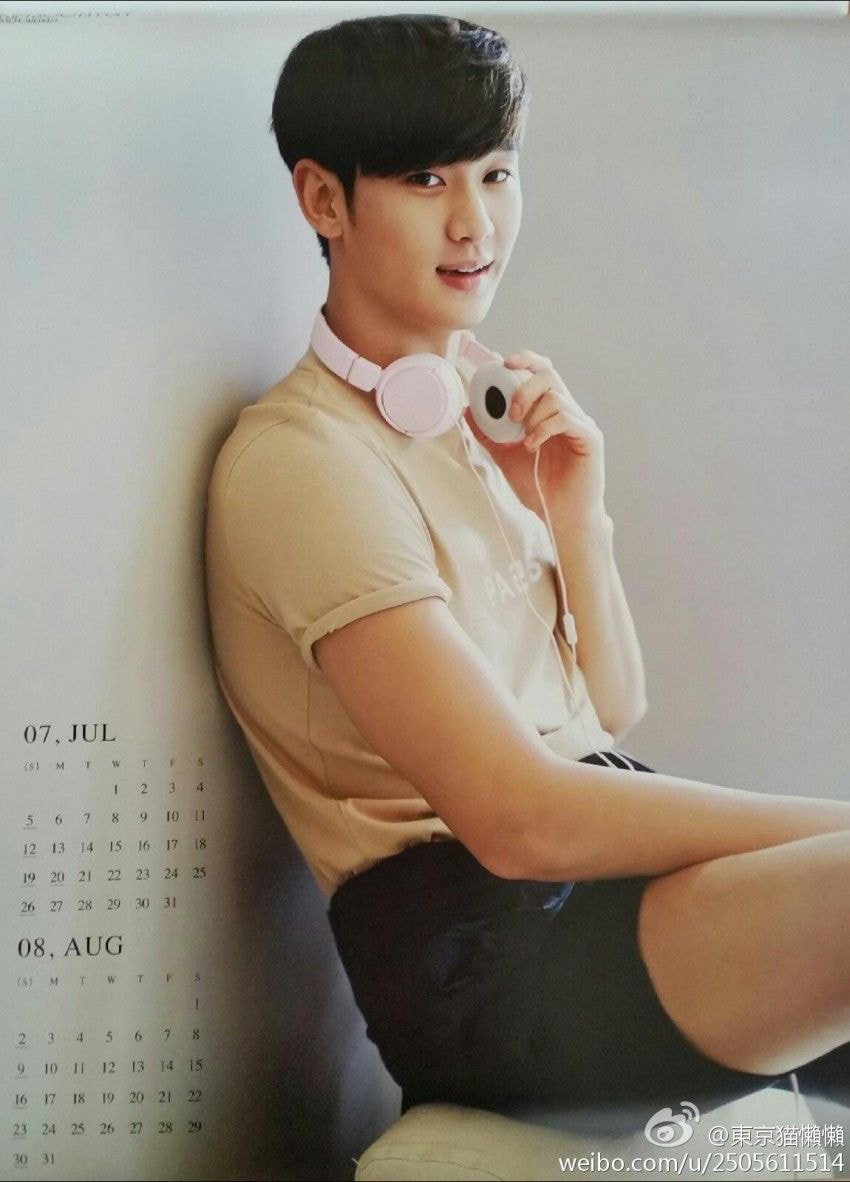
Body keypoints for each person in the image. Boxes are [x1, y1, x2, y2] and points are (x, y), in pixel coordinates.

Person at [204, 13, 850, 1128]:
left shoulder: (465, 409)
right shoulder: (302, 465)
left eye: (496, 174)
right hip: (488, 955)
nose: (475, 223)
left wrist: (574, 511)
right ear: (322, 200)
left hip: (592, 887)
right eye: (426, 178)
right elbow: (519, 821)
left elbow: (609, 708)